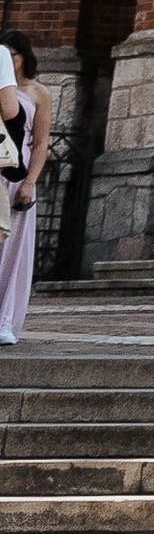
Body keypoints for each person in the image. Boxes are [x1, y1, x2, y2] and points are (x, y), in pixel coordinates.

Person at [0, 35, 52, 346]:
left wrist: (31, 182)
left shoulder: (38, 92)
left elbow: (41, 142)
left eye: (10, 54)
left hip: (18, 175)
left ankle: (5, 319)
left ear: (22, 56)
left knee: (12, 252)